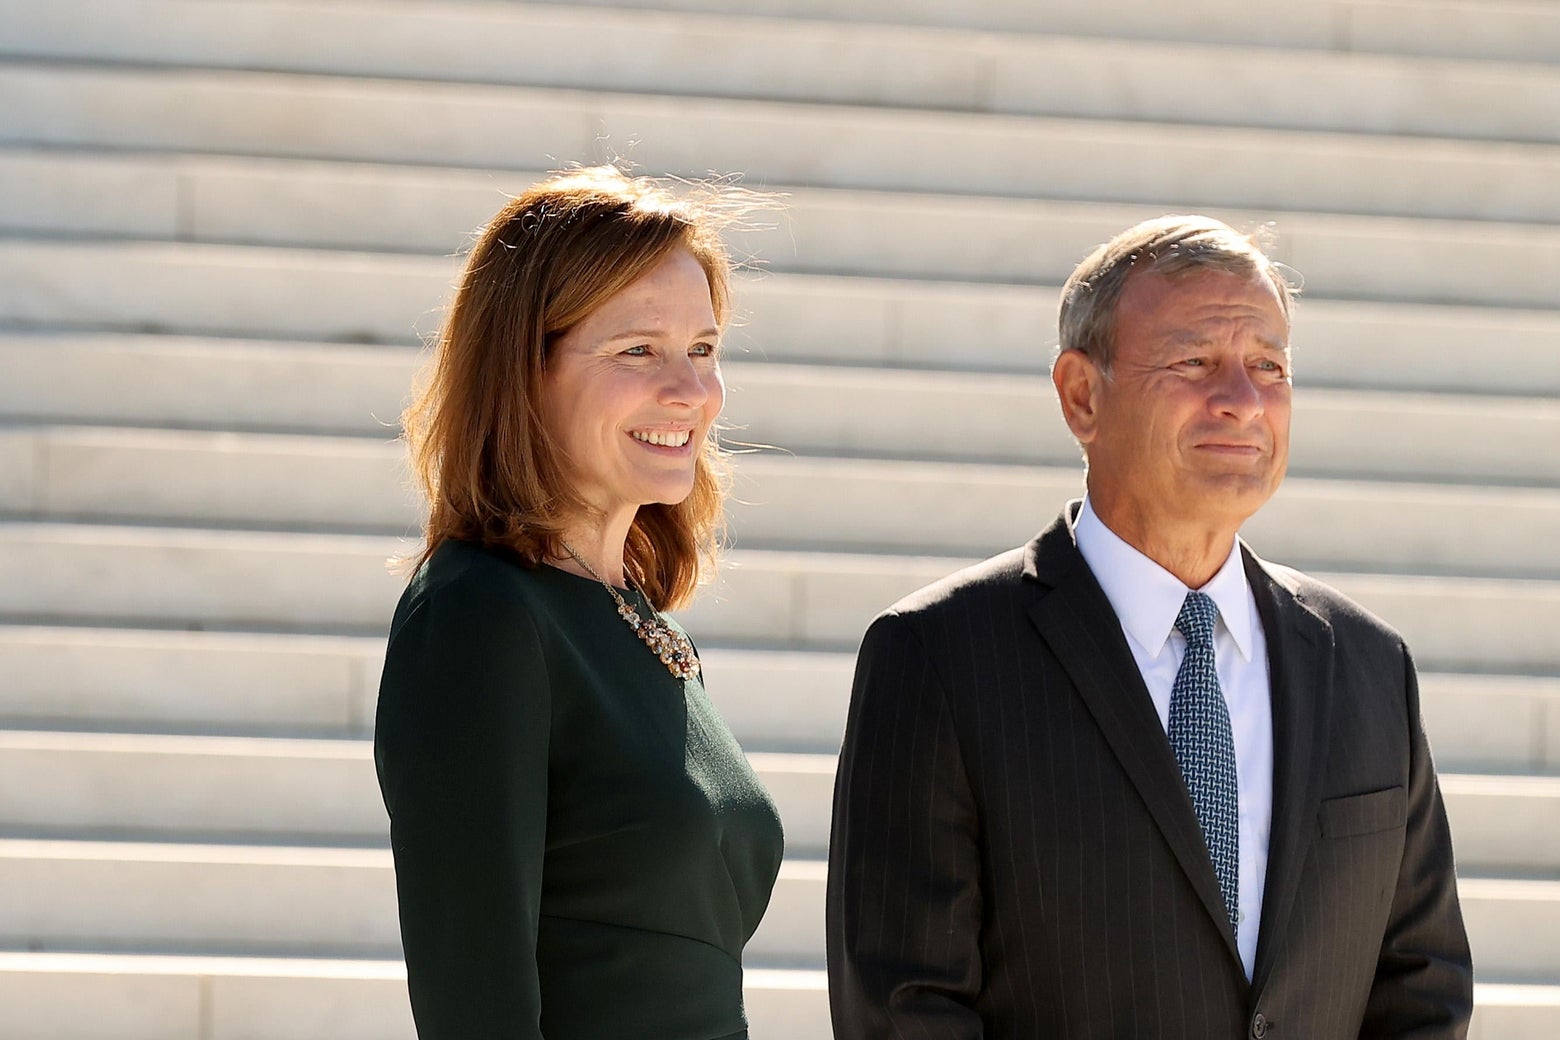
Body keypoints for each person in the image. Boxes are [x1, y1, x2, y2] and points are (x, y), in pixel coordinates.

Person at [826, 215, 1473, 1039]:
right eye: (1196, 362)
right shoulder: (939, 656)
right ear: (1081, 396)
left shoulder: (1369, 663)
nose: (1242, 402)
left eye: (1267, 367)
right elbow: (903, 1006)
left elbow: (1424, 987)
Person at [374, 166, 784, 1040]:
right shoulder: (478, 617)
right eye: (638, 349)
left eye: (703, 349)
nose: (690, 391)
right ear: (525, 370)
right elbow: (473, 1001)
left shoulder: (639, 617)